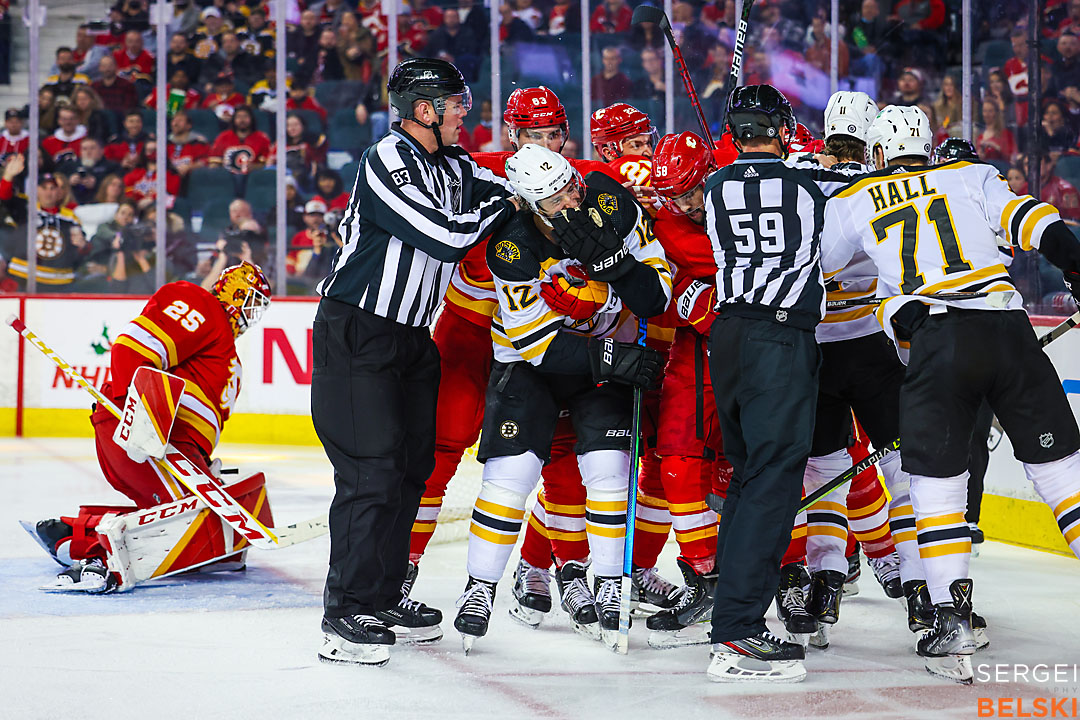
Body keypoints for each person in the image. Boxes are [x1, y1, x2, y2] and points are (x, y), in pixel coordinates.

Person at [822, 104, 1080, 684]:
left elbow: (816, 272)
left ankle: (951, 619)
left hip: (939, 341)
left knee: (936, 490)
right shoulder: (971, 176)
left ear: (879, 152)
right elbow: (1038, 224)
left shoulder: (854, 200)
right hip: (1010, 331)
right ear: (931, 147)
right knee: (1066, 480)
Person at [311, 57, 519, 667]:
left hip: (411, 339)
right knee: (370, 473)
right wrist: (500, 209)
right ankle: (345, 611)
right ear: (423, 111)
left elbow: (506, 191)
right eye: (455, 104)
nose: (465, 112)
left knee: (409, 471)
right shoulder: (386, 159)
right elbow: (446, 236)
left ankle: (380, 595)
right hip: (358, 333)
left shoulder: (456, 165)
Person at [453, 143, 671, 653]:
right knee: (510, 480)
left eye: (572, 184)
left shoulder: (611, 202)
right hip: (532, 366)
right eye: (554, 200)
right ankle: (479, 588)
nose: (572, 201)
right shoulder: (511, 244)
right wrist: (616, 359)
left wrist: (615, 262)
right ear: (529, 205)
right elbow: (537, 344)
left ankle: (611, 583)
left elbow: (656, 293)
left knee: (611, 472)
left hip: (597, 354)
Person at [700, 85, 850, 683]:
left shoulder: (714, 187)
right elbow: (855, 185)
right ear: (782, 126)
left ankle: (729, 615)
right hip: (779, 343)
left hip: (728, 336)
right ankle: (737, 633)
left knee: (747, 476)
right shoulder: (811, 183)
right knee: (772, 482)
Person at [28, 262, 271, 592]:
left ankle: (72, 532)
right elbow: (132, 349)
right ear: (235, 292)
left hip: (177, 450)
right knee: (200, 528)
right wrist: (140, 421)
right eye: (252, 301)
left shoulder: (229, 355)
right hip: (145, 438)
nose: (251, 313)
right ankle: (92, 549)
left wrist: (200, 463)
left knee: (220, 543)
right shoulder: (201, 304)